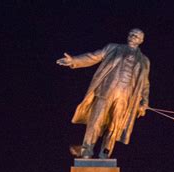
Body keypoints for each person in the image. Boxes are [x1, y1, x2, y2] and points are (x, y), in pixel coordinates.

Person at [56, 29, 150, 158]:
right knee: (95, 121)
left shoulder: (144, 61)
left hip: (125, 98)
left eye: (137, 36)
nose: (133, 37)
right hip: (106, 91)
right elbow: (93, 57)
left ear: (141, 41)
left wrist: (144, 101)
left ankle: (105, 153)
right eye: (131, 34)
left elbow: (145, 83)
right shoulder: (113, 48)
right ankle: (86, 151)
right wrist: (74, 61)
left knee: (114, 126)